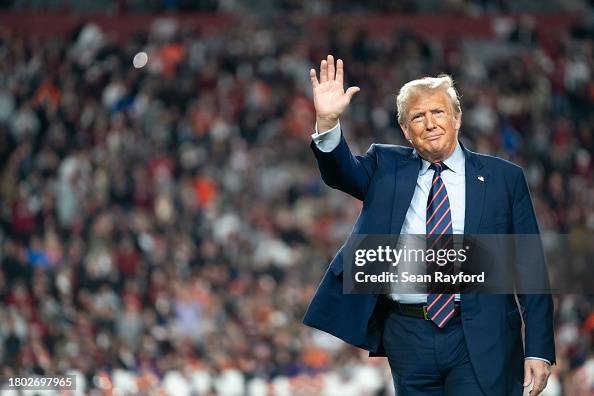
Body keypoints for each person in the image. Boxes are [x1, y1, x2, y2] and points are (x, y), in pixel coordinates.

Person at [302, 55, 555, 395]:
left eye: (438, 112)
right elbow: (340, 172)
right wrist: (328, 123)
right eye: (417, 117)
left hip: (480, 332)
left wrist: (539, 348)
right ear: (406, 130)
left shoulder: (504, 179)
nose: (430, 123)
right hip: (408, 333)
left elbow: (530, 268)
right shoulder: (385, 165)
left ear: (457, 118)